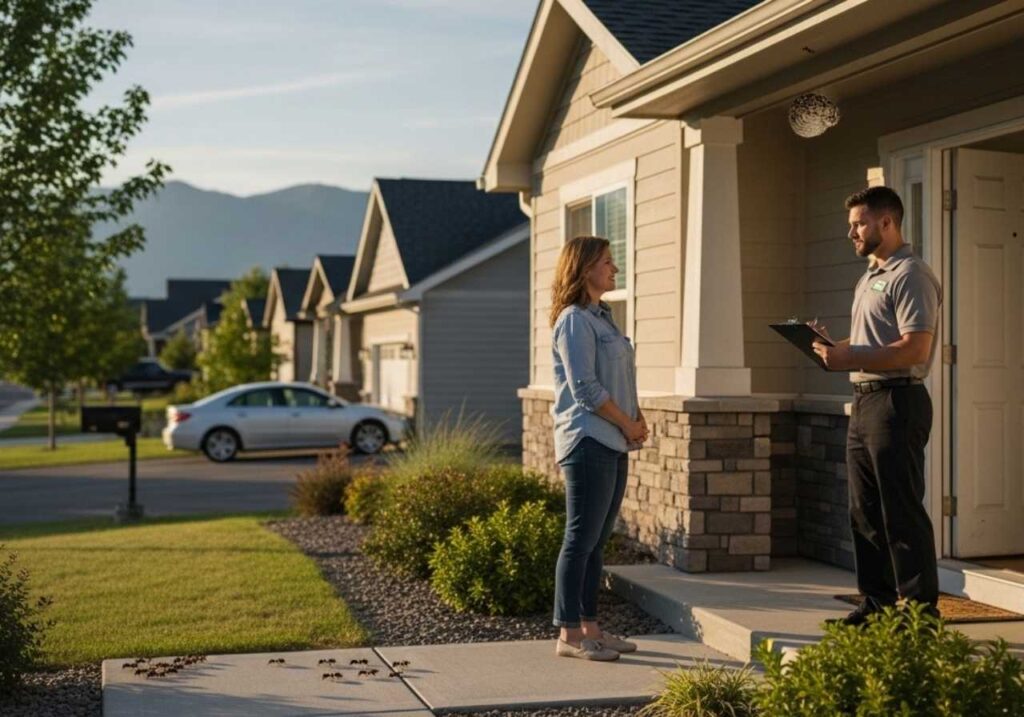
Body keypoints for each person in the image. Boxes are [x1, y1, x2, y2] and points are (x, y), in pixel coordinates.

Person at [811, 186, 942, 626]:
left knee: (900, 511)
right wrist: (832, 349)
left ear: (887, 222)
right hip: (864, 403)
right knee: (863, 511)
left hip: (897, 401)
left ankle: (920, 616)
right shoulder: (871, 275)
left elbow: (914, 349)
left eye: (859, 223)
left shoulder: (911, 274)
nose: (851, 232)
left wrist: (851, 357)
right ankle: (877, 606)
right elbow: (870, 344)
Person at [549, 235, 648, 661]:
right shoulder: (574, 320)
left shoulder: (604, 319)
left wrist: (637, 419)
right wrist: (627, 423)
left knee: (596, 540)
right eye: (608, 262)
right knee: (579, 538)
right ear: (585, 268)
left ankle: (591, 627)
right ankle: (569, 634)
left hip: (613, 438)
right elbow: (585, 388)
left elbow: (621, 379)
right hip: (588, 439)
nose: (615, 269)